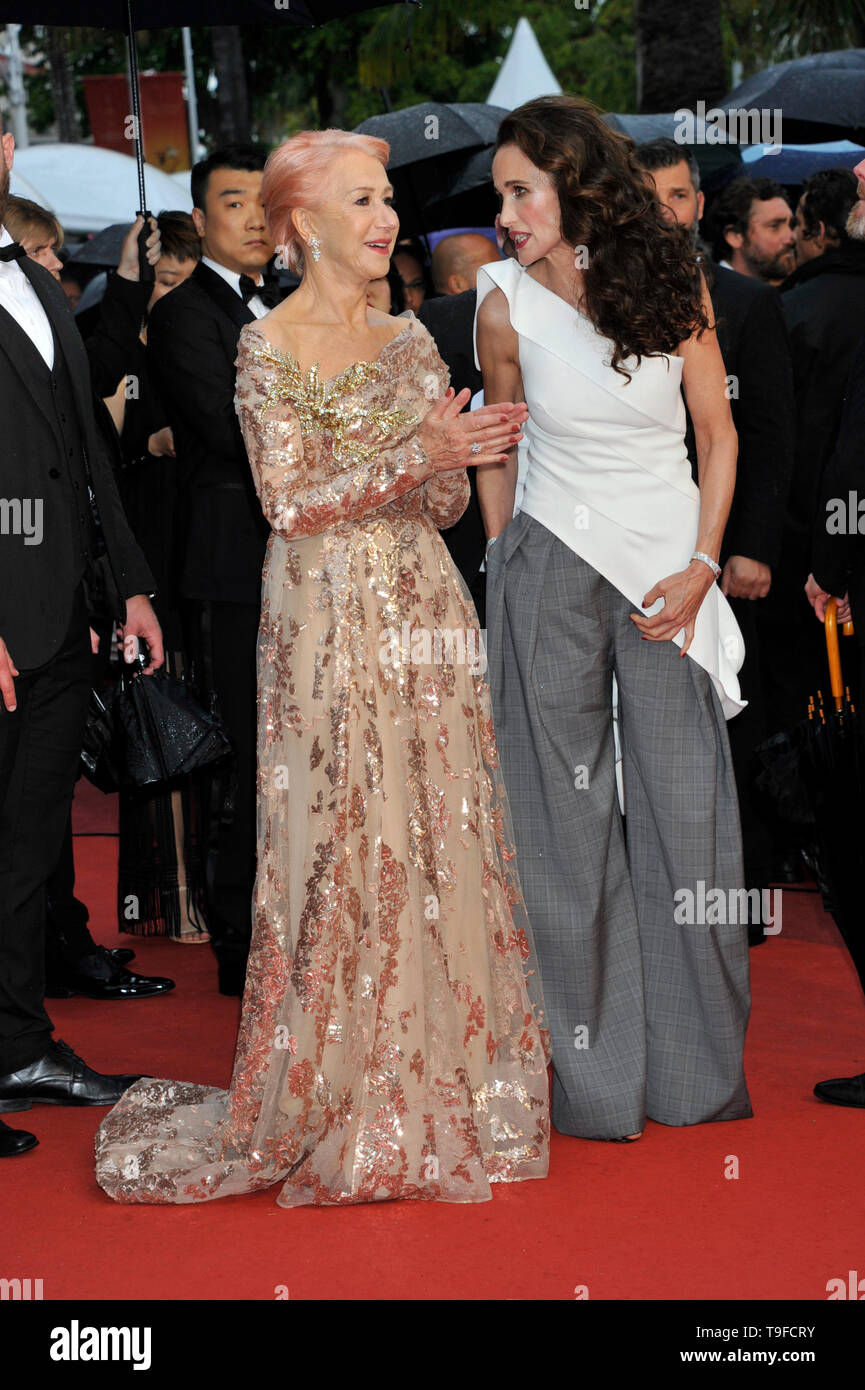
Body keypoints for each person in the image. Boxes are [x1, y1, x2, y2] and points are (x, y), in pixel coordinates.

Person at [93, 127, 550, 1206]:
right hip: (326, 616)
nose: (385, 218)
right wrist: (419, 456)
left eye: (386, 198)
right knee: (350, 831)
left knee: (441, 827)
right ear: (302, 225)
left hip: (426, 605)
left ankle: (447, 1073)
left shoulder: (408, 339)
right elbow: (287, 503)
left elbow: (439, 510)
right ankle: (345, 1083)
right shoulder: (268, 346)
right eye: (360, 201)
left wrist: (449, 463)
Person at [475, 95, 752, 1142]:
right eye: (500, 194)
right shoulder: (497, 302)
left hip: (666, 573)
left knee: (688, 820)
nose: (505, 214)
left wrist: (700, 565)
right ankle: (593, 1087)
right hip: (548, 563)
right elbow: (498, 439)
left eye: (520, 191)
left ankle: (691, 1077)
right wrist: (505, 562)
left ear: (574, 184)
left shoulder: (673, 280)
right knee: (560, 830)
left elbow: (717, 435)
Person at [0, 105, 163, 1158]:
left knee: (24, 850)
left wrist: (133, 586)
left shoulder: (32, 269)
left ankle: (18, 1045)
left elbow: (85, 448)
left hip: (61, 610)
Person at [636, 136, 795, 918]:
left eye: (676, 195)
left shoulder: (746, 304)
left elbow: (766, 434)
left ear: (698, 206)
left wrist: (749, 547)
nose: (663, 210)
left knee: (736, 716)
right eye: (648, 195)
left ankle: (743, 896)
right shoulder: (602, 300)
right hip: (638, 547)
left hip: (724, 552)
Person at [145, 146, 284, 995]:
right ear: (201, 221)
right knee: (248, 749)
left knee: (298, 744)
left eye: (266, 202)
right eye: (236, 203)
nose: (257, 217)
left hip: (302, 554)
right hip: (235, 560)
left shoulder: (290, 303)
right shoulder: (187, 316)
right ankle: (237, 938)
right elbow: (234, 429)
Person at [708, 176, 796, 286]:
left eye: (792, 225)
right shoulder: (707, 296)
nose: (792, 237)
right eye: (775, 226)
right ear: (734, 236)